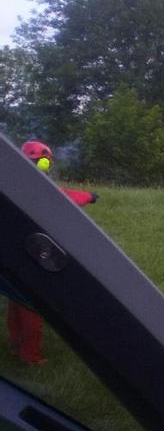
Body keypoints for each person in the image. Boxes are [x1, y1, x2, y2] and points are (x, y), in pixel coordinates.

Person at [4, 141, 98, 366]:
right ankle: (31, 356)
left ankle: (15, 345)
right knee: (32, 308)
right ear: (41, 162)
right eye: (46, 160)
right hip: (29, 254)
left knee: (16, 301)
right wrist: (88, 196)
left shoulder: (13, 180)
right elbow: (63, 198)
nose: (47, 164)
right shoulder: (33, 185)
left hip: (11, 255)